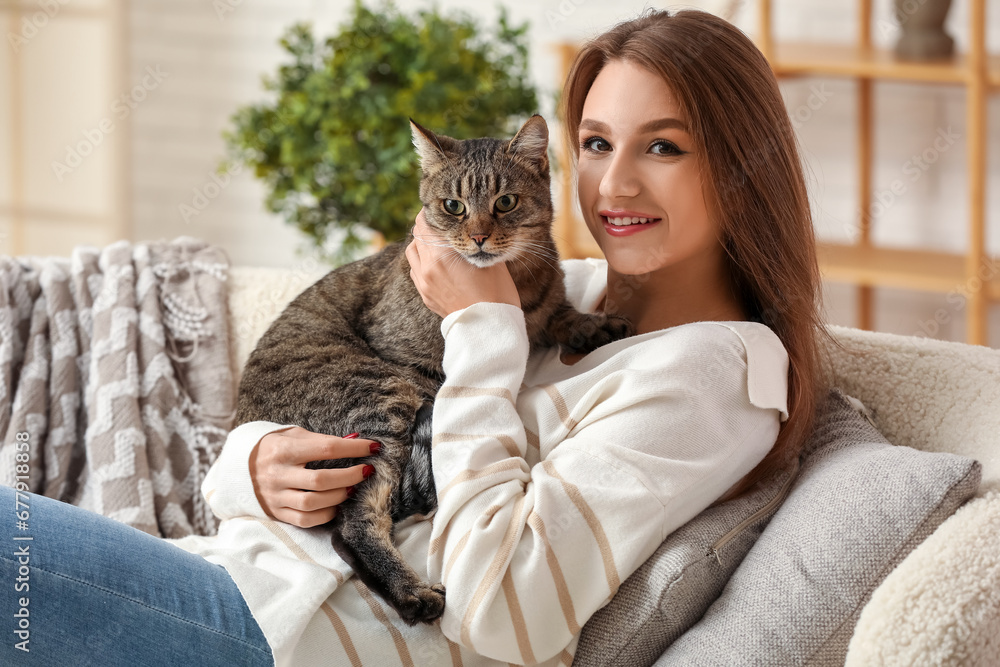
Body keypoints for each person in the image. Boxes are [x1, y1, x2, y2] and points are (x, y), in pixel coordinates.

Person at [0, 8, 829, 666]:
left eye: (665, 146)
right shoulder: (564, 291)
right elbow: (339, 436)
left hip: (292, 636)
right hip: (230, 566)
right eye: (596, 143)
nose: (614, 182)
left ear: (742, 160)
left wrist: (483, 324)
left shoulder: (718, 374)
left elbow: (506, 609)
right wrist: (254, 469)